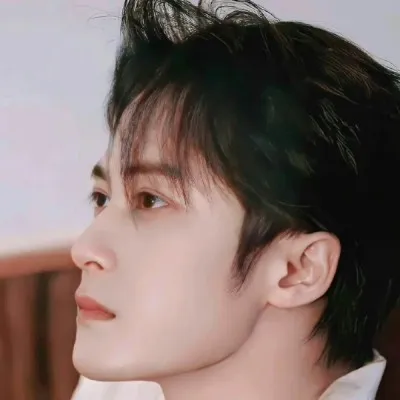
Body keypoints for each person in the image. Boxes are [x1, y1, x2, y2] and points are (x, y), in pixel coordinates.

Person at [70, 0, 400, 398]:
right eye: (102, 197)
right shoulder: (119, 385)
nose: (84, 250)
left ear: (298, 269)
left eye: (151, 200)